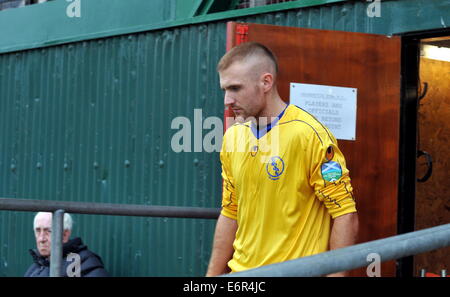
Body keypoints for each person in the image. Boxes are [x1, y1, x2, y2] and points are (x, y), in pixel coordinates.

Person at [206, 42, 359, 277]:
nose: (227, 100)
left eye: (235, 88)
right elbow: (230, 212)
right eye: (225, 90)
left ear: (266, 82)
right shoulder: (232, 137)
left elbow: (345, 215)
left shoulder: (310, 134)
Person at [24, 212, 108, 277]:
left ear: (65, 235)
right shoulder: (35, 268)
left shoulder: (85, 264)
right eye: (38, 231)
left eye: (48, 231)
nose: (41, 239)